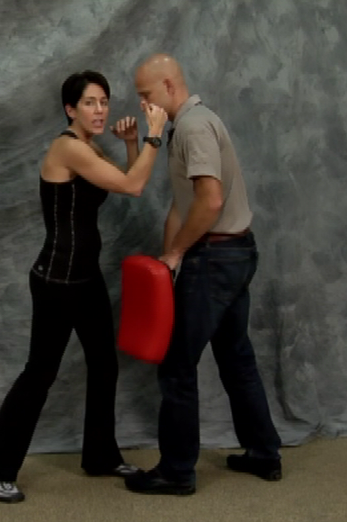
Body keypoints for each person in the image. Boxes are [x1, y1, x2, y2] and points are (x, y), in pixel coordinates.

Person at [0, 70, 168, 503]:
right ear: (70, 109)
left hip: (85, 279)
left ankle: (100, 456)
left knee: (104, 364)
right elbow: (134, 185)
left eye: (103, 101)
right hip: (57, 282)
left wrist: (134, 142)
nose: (100, 110)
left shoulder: (87, 146)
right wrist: (156, 135)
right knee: (39, 375)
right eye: (89, 103)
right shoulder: (67, 147)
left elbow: (118, 182)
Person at [123, 54, 283, 496]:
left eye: (146, 94)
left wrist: (178, 252)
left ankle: (176, 471)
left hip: (215, 258)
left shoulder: (193, 127)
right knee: (236, 357)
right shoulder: (187, 126)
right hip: (230, 254)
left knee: (177, 366)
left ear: (170, 86)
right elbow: (183, 202)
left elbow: (209, 202)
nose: (141, 103)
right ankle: (264, 453)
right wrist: (166, 259)